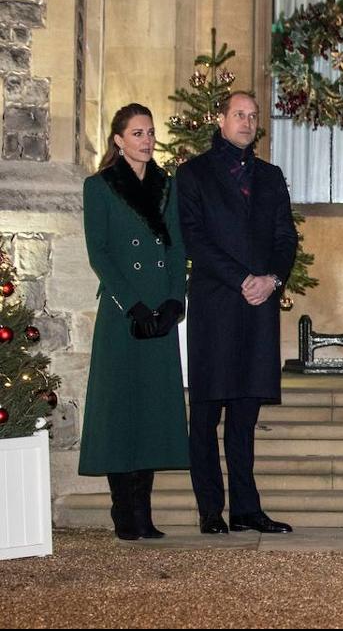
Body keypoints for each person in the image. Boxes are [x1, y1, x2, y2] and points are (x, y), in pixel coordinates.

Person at [177, 91, 298, 535]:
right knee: (207, 415)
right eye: (239, 115)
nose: (247, 122)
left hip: (259, 308)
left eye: (253, 116)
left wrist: (272, 280)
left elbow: (286, 237)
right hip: (215, 306)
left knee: (245, 416)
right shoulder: (193, 174)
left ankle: (247, 508)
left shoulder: (270, 176)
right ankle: (211, 510)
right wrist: (241, 279)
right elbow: (193, 238)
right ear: (221, 119)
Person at [79, 103, 190, 540]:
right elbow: (99, 253)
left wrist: (173, 301)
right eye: (138, 133)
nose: (147, 140)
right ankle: (124, 510)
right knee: (119, 408)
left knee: (153, 411)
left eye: (150, 132)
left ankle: (144, 510)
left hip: (159, 315)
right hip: (124, 317)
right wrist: (133, 305)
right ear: (119, 139)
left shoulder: (167, 187)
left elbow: (178, 247)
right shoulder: (100, 186)